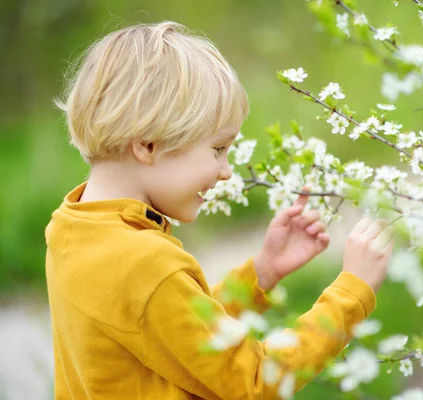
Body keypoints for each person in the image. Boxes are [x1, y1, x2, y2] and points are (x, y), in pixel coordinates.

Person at [46, 21, 395, 400]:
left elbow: (172, 330)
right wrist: (351, 294)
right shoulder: (144, 261)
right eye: (217, 150)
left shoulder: (74, 227)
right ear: (148, 144)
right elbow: (255, 382)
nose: (227, 171)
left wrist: (260, 275)